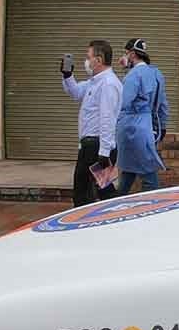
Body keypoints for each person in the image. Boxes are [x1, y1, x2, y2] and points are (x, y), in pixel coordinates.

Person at [62, 39, 122, 205]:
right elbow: (76, 93)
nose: (86, 61)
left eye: (88, 57)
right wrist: (67, 75)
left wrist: (104, 152)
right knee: (102, 191)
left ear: (99, 60)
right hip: (91, 146)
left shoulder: (108, 84)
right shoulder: (94, 82)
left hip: (97, 147)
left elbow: (107, 118)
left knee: (83, 193)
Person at [114, 37, 169, 195]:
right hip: (147, 126)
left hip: (131, 127)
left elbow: (124, 103)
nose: (124, 57)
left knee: (148, 173)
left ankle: (152, 207)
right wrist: (163, 125)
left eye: (126, 53)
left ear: (132, 54)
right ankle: (118, 201)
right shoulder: (156, 73)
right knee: (129, 170)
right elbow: (163, 103)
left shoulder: (132, 76)